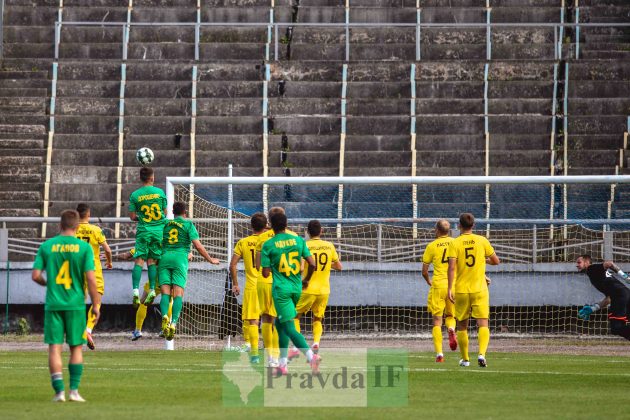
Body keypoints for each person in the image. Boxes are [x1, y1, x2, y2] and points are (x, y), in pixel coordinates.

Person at [32, 209, 100, 402]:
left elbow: (35, 275)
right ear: (77, 227)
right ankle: (74, 392)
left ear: (60, 225)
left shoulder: (47, 246)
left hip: (53, 304)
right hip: (76, 305)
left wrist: (48, 283)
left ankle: (59, 392)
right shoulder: (84, 248)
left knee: (54, 348)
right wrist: (95, 304)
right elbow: (91, 279)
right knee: (76, 348)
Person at [261, 212, 320, 376]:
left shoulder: (268, 244)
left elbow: (265, 274)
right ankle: (282, 364)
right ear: (286, 224)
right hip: (296, 288)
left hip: (281, 290)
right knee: (280, 325)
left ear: (271, 226)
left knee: (288, 326)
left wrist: (271, 265)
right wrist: (306, 279)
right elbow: (312, 264)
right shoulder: (299, 240)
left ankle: (311, 357)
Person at [159, 201, 220, 340]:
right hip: (180, 259)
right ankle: (173, 323)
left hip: (164, 257)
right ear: (185, 213)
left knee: (165, 293)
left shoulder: (165, 224)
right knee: (178, 293)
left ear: (173, 212)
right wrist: (210, 259)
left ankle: (164, 317)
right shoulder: (188, 224)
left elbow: (157, 241)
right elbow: (198, 246)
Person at [447, 213, 500, 368]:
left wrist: (450, 288)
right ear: (473, 225)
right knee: (483, 323)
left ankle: (465, 359)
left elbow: (451, 267)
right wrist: (482, 260)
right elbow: (496, 261)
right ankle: (482, 354)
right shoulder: (482, 240)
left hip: (462, 290)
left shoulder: (455, 243)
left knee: (462, 325)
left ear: (459, 226)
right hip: (480, 289)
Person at [254, 207, 298, 367]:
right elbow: (299, 266)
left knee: (266, 318)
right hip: (286, 282)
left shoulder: (263, 238)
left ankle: (271, 357)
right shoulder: (294, 237)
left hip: (265, 282)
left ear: (270, 222)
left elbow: (257, 264)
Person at [291, 220, 342, 357]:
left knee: (295, 316)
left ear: (307, 232)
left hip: (307, 289)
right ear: (321, 231)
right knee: (317, 318)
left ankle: (297, 344)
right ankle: (316, 342)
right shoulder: (329, 246)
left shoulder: (304, 245)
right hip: (324, 290)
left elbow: (301, 268)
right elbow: (339, 266)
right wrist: (324, 265)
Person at [229, 212, 267, 363]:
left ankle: (254, 353)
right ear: (265, 226)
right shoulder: (269, 239)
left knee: (252, 320)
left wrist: (236, 283)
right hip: (269, 285)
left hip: (252, 286)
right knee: (270, 318)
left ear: (251, 226)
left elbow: (233, 265)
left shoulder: (243, 242)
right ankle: (271, 350)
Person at [75, 203, 112, 351]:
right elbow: (107, 250)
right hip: (93, 269)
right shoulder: (96, 230)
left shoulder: (72, 230)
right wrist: (109, 262)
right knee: (97, 301)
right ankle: (88, 330)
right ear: (89, 214)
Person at [128, 167, 167, 308]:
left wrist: (143, 217)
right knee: (152, 261)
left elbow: (132, 217)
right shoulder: (160, 192)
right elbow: (165, 213)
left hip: (144, 231)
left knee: (139, 261)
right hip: (158, 232)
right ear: (152, 178)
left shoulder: (135, 195)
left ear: (141, 178)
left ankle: (136, 292)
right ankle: (151, 290)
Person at [115, 248, 173, 341]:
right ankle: (165, 327)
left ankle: (138, 330)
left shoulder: (148, 244)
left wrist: (112, 256)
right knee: (168, 300)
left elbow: (127, 255)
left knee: (143, 302)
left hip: (156, 279)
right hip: (169, 277)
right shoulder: (168, 243)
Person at [422, 219, 457, 363]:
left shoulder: (431, 246)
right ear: (448, 231)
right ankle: (451, 329)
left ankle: (440, 354)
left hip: (438, 285)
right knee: (451, 316)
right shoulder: (455, 243)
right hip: (453, 286)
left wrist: (429, 282)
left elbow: (424, 271)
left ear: (437, 230)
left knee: (437, 321)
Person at [576, 255, 630, 340]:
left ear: (587, 262)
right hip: (625, 294)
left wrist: (625, 277)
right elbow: (609, 298)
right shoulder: (594, 274)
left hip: (620, 297)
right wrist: (593, 308)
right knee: (618, 328)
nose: (577, 265)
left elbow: (609, 264)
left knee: (616, 327)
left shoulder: (591, 269)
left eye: (579, 262)